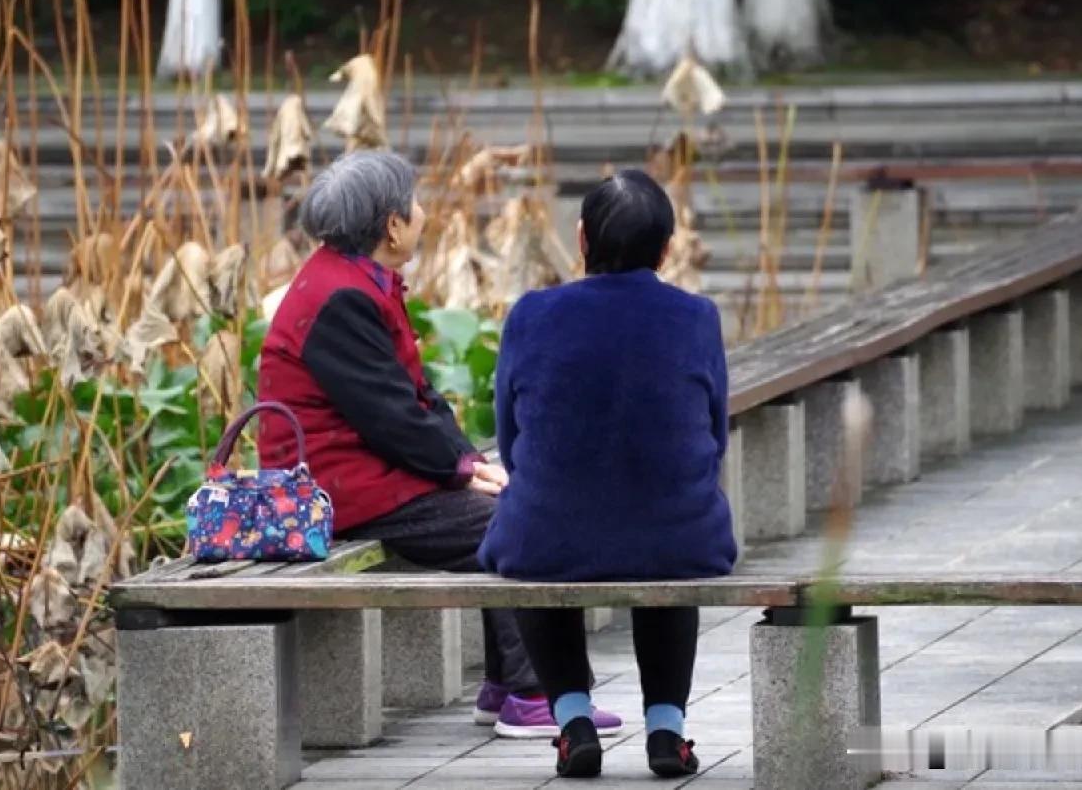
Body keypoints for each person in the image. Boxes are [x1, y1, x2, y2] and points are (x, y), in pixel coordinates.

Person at [256, 150, 621, 739]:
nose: (423, 213)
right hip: (335, 487)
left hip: (359, 471)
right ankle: (534, 692)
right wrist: (457, 470)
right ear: (391, 225)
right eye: (415, 204)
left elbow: (413, 395)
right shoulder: (340, 297)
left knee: (508, 501)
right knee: (518, 523)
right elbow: (392, 416)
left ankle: (508, 685)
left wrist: (467, 462)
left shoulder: (351, 280)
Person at [479, 169, 738, 778]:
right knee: (665, 537)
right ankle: (667, 734)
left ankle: (572, 722)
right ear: (668, 248)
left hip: (551, 535)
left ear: (582, 239)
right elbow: (715, 434)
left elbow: (511, 443)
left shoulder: (532, 314)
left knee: (532, 542)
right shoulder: (697, 318)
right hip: (681, 536)